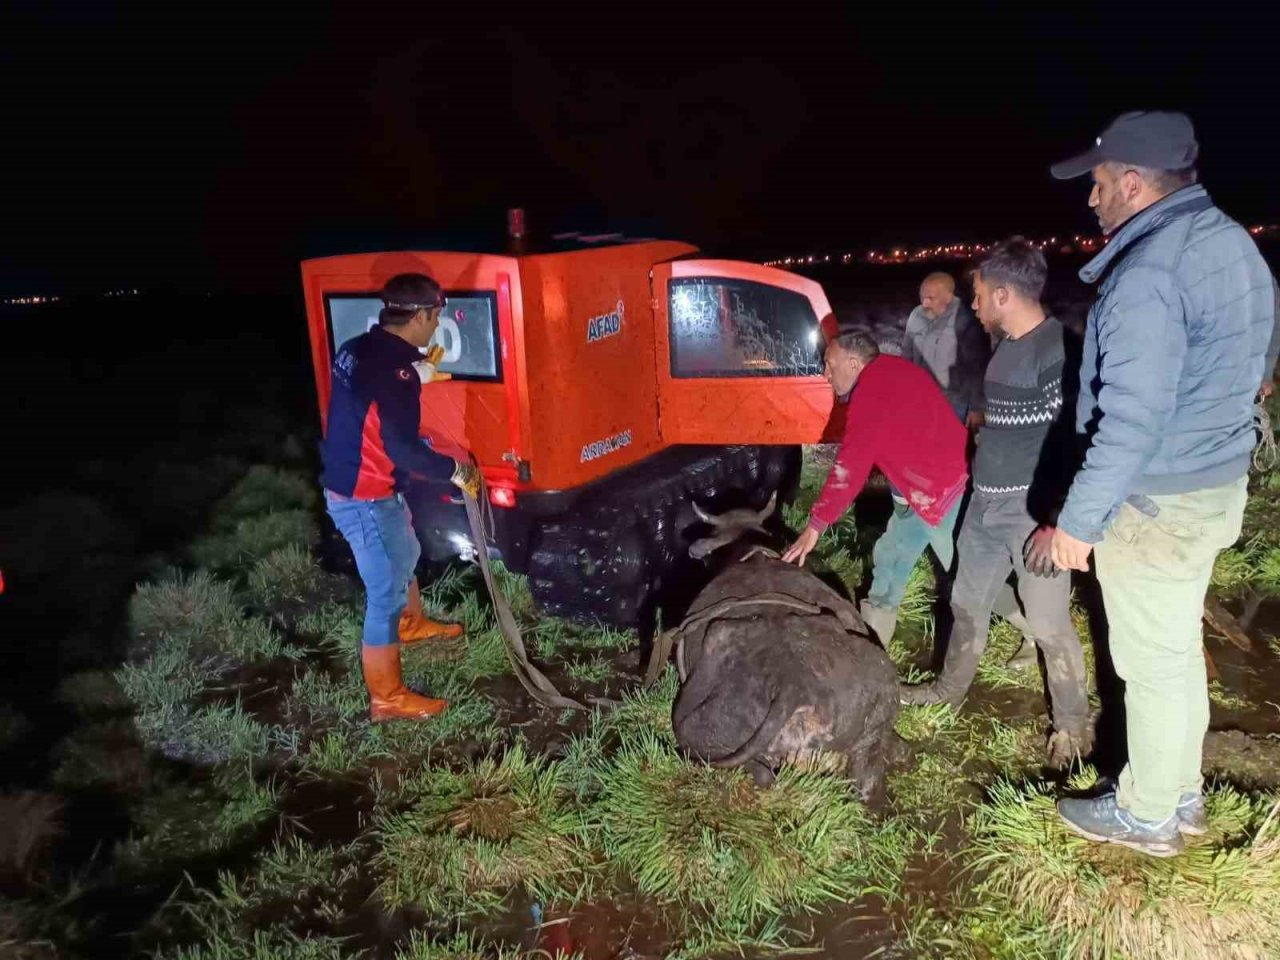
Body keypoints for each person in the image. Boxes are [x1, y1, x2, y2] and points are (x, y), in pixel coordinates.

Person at [1047, 112, 1274, 856]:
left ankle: (1145, 817)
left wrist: (1079, 521)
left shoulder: (1148, 273)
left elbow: (1131, 420)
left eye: (1101, 183)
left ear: (1136, 184)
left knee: (1147, 665)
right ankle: (1178, 794)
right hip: (1213, 488)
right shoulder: (1232, 245)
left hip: (1156, 499)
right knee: (1173, 656)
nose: (1092, 198)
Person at [899, 239, 1090, 767]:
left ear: (1004, 294)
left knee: (1050, 625)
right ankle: (948, 690)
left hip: (1032, 515)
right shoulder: (1002, 346)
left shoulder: (1062, 352)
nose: (975, 306)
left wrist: (1057, 520)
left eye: (979, 296)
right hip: (984, 505)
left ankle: (1072, 728)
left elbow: (1081, 441)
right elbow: (1001, 422)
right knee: (965, 603)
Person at [320, 272, 476, 722]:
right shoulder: (396, 373)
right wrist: (456, 471)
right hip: (362, 494)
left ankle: (410, 625)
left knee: (406, 550)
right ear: (423, 315)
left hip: (367, 483)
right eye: (437, 316)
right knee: (385, 592)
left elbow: (369, 398)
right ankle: (387, 697)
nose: (436, 325)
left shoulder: (356, 348)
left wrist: (416, 374)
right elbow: (403, 449)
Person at [781, 332, 968, 645]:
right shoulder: (893, 369)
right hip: (928, 487)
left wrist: (815, 526)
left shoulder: (870, 393)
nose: (825, 375)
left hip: (940, 493)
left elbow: (850, 466)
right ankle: (872, 643)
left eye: (829, 365)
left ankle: (1032, 625)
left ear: (853, 364)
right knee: (891, 556)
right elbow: (903, 437)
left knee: (968, 576)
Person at [901, 272, 990, 430]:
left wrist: (977, 407)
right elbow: (906, 356)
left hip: (954, 400)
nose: (925, 303)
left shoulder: (966, 321)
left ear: (949, 297)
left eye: (931, 298)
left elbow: (977, 368)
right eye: (923, 297)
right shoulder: (916, 316)